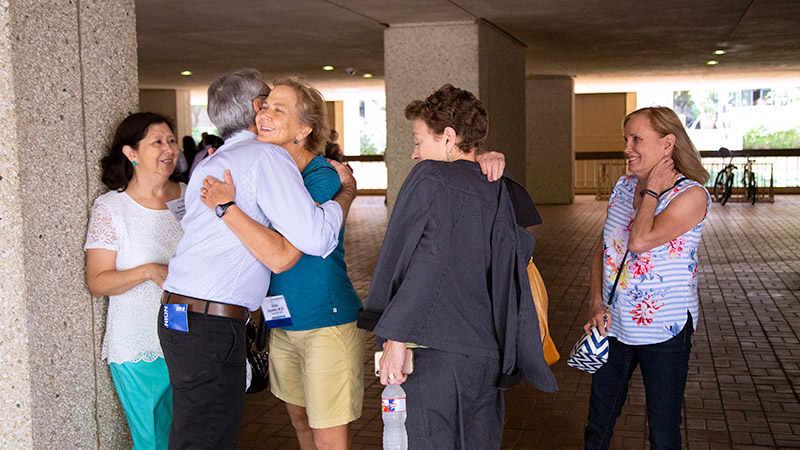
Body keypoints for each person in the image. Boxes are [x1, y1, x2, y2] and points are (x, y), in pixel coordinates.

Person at [158, 68, 357, 450]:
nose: (265, 113)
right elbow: (298, 247)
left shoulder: (220, 161)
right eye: (265, 105)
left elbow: (298, 245)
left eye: (277, 109)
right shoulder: (265, 157)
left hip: (181, 318)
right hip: (210, 323)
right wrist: (347, 193)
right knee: (207, 436)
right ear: (254, 107)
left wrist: (227, 208)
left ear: (304, 129)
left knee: (195, 433)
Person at [358, 84, 558, 449]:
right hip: (486, 356)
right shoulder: (500, 186)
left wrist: (394, 338)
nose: (416, 153)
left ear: (449, 138)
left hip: (434, 351)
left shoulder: (431, 177)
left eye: (419, 140)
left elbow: (429, 259)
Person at [583, 106, 711, 449]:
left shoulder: (691, 195)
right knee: (599, 423)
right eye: (626, 139)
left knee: (663, 430)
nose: (627, 147)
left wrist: (652, 190)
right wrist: (596, 303)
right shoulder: (624, 187)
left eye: (636, 139)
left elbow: (639, 241)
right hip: (614, 325)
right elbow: (602, 252)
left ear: (667, 144)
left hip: (664, 330)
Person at [85, 112, 184, 450]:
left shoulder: (188, 197)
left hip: (189, 337)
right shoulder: (112, 207)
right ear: (131, 153)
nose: (169, 149)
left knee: (193, 436)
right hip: (138, 343)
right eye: (157, 142)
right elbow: (98, 281)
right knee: (154, 441)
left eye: (171, 140)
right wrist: (149, 271)